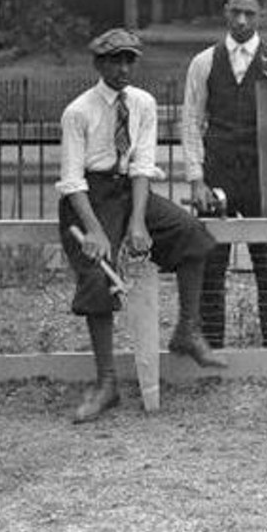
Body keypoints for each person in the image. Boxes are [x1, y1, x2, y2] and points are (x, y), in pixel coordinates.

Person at [57, 28, 224, 424]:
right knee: (99, 278)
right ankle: (107, 383)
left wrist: (137, 222)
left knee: (192, 234)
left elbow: (142, 165)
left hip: (129, 193)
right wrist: (96, 232)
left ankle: (187, 330)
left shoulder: (143, 104)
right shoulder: (78, 111)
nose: (123, 68)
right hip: (87, 201)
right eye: (115, 60)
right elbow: (72, 180)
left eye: (130, 60)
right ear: (99, 64)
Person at [181, 0, 267, 349]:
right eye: (236, 13)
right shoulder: (203, 62)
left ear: (262, 14)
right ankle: (213, 346)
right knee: (212, 264)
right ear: (225, 12)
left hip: (261, 174)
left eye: (250, 13)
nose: (242, 21)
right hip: (218, 171)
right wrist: (196, 179)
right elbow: (191, 121)